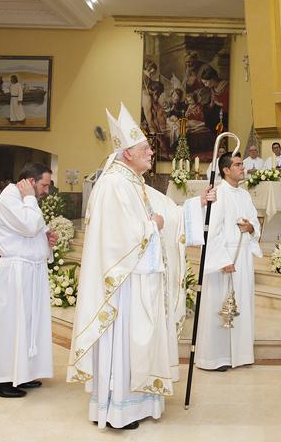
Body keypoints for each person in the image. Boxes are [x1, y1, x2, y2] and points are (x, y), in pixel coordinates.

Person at [68, 103, 209, 430]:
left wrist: (195, 205)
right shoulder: (115, 183)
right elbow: (119, 236)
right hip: (124, 284)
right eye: (145, 148)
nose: (150, 152)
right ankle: (120, 409)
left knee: (139, 342)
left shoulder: (131, 181)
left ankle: (138, 402)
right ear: (127, 153)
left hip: (140, 278)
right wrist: (152, 225)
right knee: (127, 342)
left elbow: (164, 211)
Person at [0, 163, 57, 399]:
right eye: (44, 185)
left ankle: (22, 373)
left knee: (28, 324)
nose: (46, 191)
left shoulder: (25, 200)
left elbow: (36, 229)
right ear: (31, 182)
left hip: (31, 270)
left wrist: (46, 239)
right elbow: (28, 225)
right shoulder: (9, 200)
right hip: (16, 271)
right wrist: (30, 200)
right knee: (11, 324)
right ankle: (0, 379)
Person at [195, 152, 261, 371]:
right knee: (219, 304)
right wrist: (222, 259)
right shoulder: (218, 193)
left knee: (241, 302)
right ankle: (215, 358)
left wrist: (251, 227)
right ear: (225, 170)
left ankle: (239, 355)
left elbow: (254, 220)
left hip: (242, 256)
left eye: (242, 164)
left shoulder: (244, 194)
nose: (242, 168)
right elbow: (212, 230)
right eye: (238, 165)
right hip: (224, 258)